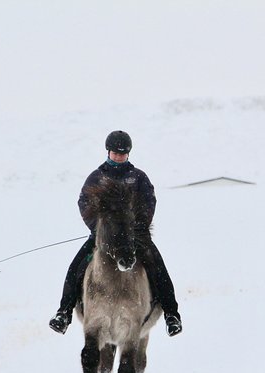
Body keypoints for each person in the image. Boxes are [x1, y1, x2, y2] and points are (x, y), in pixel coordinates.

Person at [49, 130, 183, 337]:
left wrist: (137, 228)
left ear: (128, 154)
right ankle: (64, 313)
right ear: (108, 152)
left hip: (135, 236)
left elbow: (149, 203)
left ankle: (172, 315)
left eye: (123, 154)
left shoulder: (138, 177)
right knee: (76, 267)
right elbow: (84, 203)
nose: (119, 157)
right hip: (104, 237)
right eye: (115, 153)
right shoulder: (97, 177)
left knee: (158, 266)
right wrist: (99, 229)